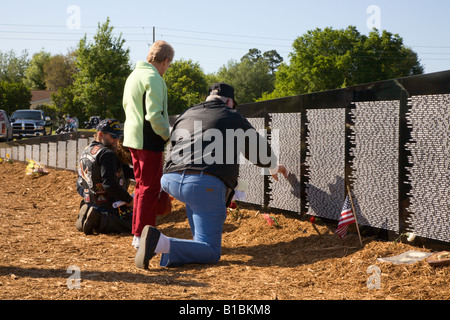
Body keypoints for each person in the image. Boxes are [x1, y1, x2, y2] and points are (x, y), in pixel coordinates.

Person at [135, 82, 288, 269]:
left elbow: (173, 146)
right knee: (212, 252)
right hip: (203, 183)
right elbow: (258, 151)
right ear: (230, 101)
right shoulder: (232, 116)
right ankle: (160, 243)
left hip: (172, 179)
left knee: (197, 206)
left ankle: (185, 249)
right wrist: (274, 167)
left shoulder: (187, 113)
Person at [122, 40, 174, 249]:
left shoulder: (134, 76)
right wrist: (167, 135)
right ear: (166, 61)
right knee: (149, 188)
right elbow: (154, 114)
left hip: (133, 138)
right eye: (169, 65)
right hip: (148, 139)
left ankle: (137, 233)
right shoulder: (154, 78)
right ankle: (143, 236)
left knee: (142, 186)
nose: (167, 69)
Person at [76, 119, 134, 235]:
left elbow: (79, 184)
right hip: (109, 205)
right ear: (100, 134)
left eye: (119, 136)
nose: (116, 140)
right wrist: (129, 199)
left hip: (90, 200)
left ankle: (89, 211)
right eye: (113, 136)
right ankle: (100, 220)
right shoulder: (107, 154)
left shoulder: (86, 151)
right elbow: (109, 185)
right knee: (136, 224)